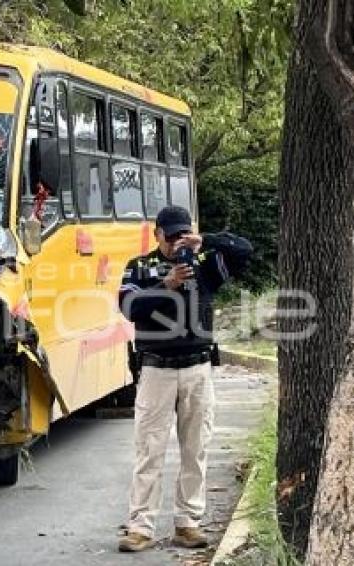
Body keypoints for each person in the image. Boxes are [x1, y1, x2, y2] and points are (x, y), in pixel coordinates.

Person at [117, 205, 252, 552]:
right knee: (149, 450)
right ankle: (140, 526)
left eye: (183, 233)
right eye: (172, 234)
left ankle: (188, 523)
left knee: (195, 449)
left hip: (197, 368)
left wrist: (205, 240)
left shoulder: (205, 262)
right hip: (155, 369)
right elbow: (130, 308)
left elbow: (245, 251)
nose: (177, 240)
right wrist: (166, 283)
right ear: (157, 234)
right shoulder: (139, 266)